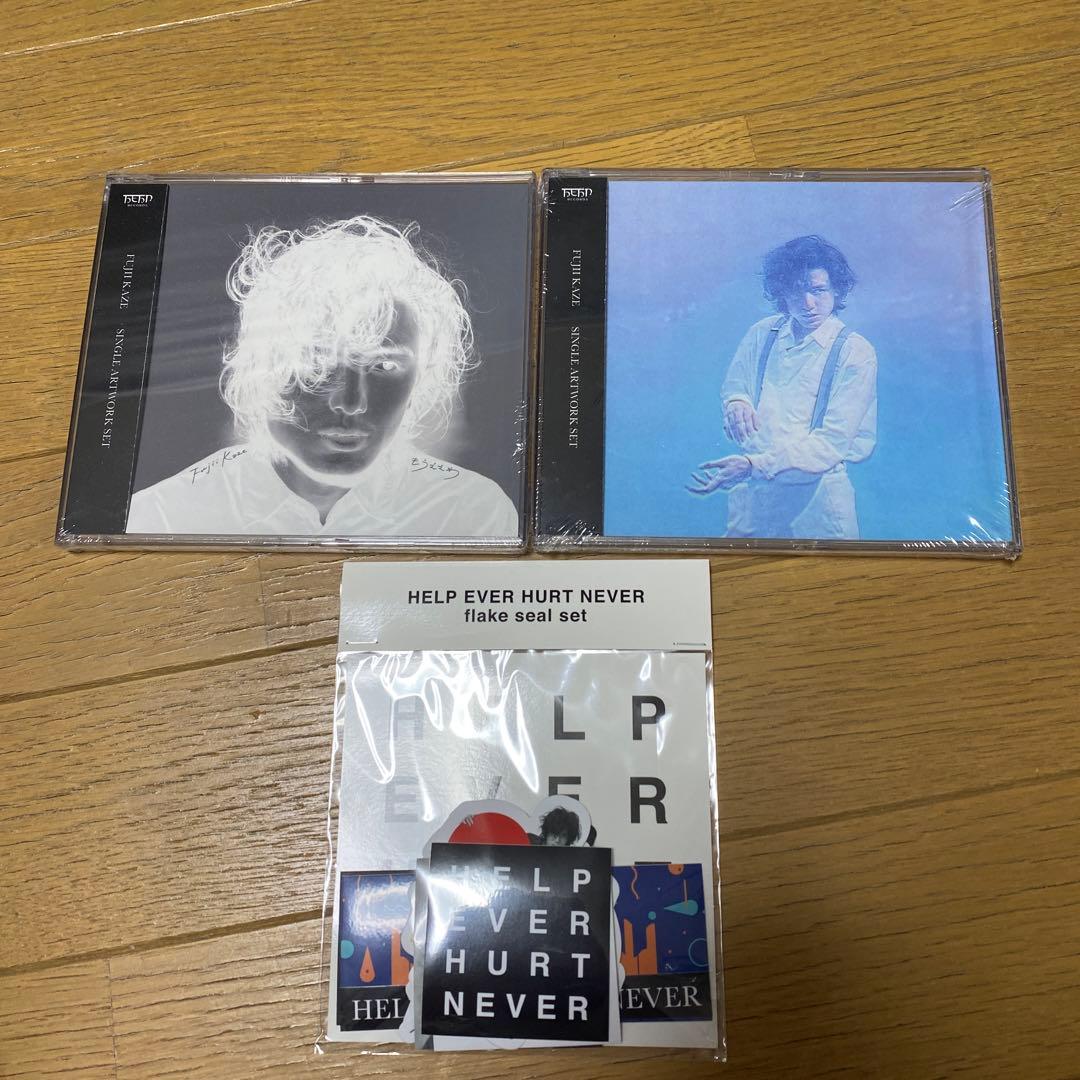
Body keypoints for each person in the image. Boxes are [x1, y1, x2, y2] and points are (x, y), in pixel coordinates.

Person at [126, 215, 519, 539]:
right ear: (258, 367)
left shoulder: (471, 512)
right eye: (318, 362)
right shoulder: (163, 517)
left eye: (383, 366)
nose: (351, 401)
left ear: (420, 379)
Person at [687, 235, 877, 539]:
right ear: (782, 292)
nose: (808, 303)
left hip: (818, 506)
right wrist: (737, 401)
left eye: (818, 290)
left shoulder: (855, 351)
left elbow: (831, 443)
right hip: (754, 499)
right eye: (797, 291)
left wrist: (752, 465)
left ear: (836, 290)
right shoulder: (763, 333)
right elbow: (736, 385)